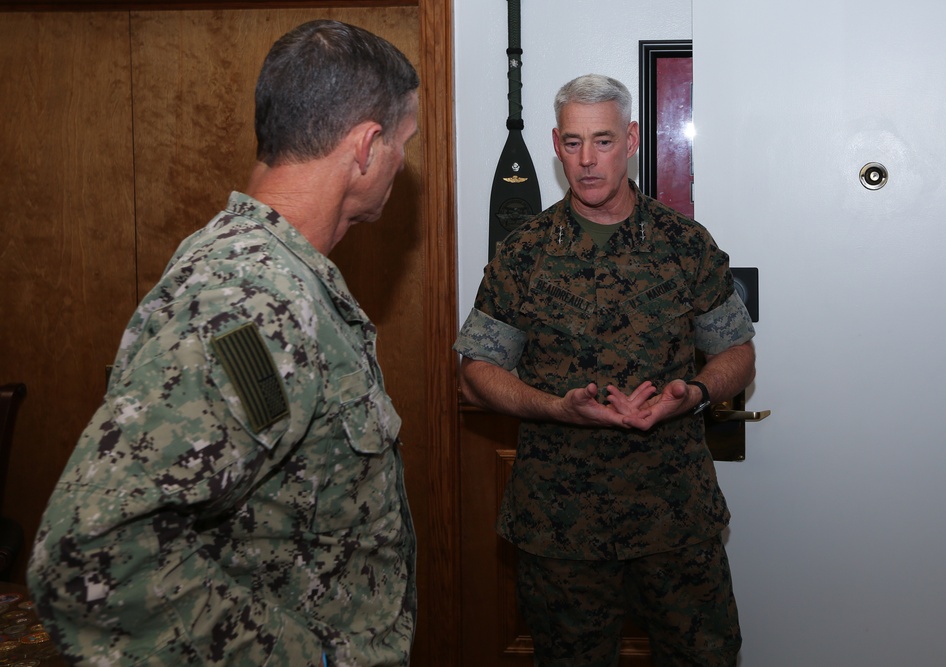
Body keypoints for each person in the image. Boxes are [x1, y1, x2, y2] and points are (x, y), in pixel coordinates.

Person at [27, 20, 419, 667]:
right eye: (404, 144)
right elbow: (91, 552)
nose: (402, 165)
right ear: (365, 147)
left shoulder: (276, 278)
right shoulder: (248, 293)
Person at [454, 73, 756, 667]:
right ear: (555, 143)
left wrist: (691, 392)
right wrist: (553, 407)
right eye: (572, 143)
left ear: (633, 138)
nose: (587, 161)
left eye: (603, 141)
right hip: (562, 522)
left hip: (674, 513)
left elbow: (738, 354)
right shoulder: (524, 252)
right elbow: (477, 370)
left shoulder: (684, 244)